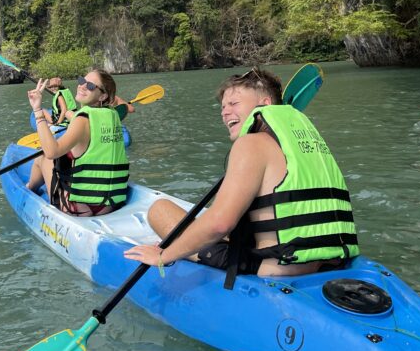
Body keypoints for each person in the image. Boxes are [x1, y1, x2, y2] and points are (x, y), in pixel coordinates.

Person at [124, 67, 359, 283]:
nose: (225, 112)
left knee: (160, 210)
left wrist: (164, 255)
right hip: (332, 263)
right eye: (223, 107)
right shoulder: (308, 142)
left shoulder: (251, 144)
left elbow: (219, 224)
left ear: (265, 104)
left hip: (276, 272)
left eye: (234, 103)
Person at [27, 68, 129, 215]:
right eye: (82, 81)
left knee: (42, 156)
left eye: (91, 86)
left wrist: (37, 110)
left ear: (102, 96)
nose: (82, 86)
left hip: (81, 208)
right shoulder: (113, 116)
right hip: (110, 204)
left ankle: (29, 189)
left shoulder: (82, 120)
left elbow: (51, 152)